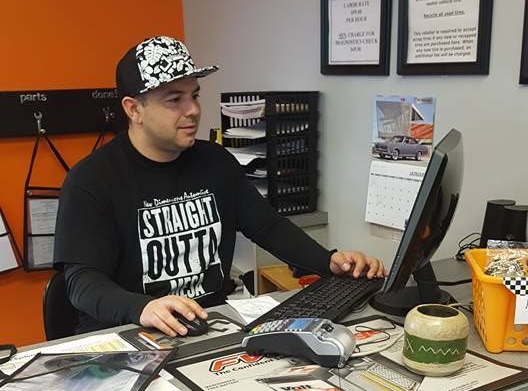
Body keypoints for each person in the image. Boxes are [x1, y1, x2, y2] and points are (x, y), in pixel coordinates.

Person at [54, 36, 385, 336]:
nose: (193, 110)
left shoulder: (215, 162)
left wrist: (330, 261)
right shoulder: (92, 180)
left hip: (209, 326)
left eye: (194, 95)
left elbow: (268, 226)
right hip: (130, 333)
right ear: (133, 109)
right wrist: (142, 307)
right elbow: (83, 284)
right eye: (174, 100)